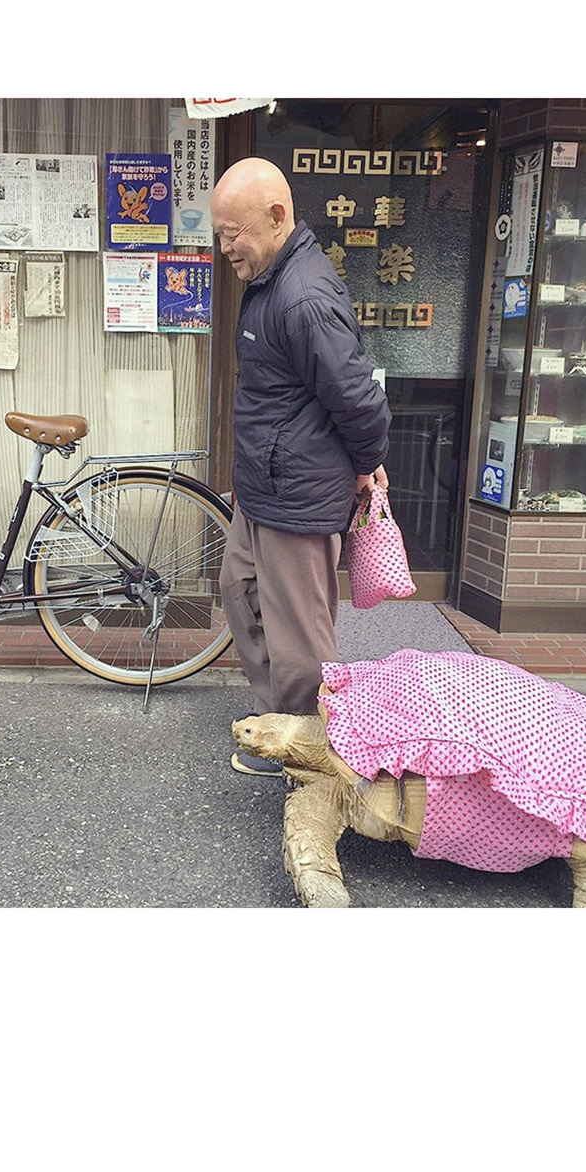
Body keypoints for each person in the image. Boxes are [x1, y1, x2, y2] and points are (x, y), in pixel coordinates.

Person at [212, 157, 391, 776]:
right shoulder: (271, 282)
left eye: (233, 232)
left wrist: (368, 463)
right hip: (266, 487)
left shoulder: (303, 295)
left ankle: (313, 758)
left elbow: (359, 396)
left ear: (276, 216)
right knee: (240, 595)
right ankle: (279, 727)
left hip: (300, 494)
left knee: (300, 642)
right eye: (218, 232)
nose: (225, 246)